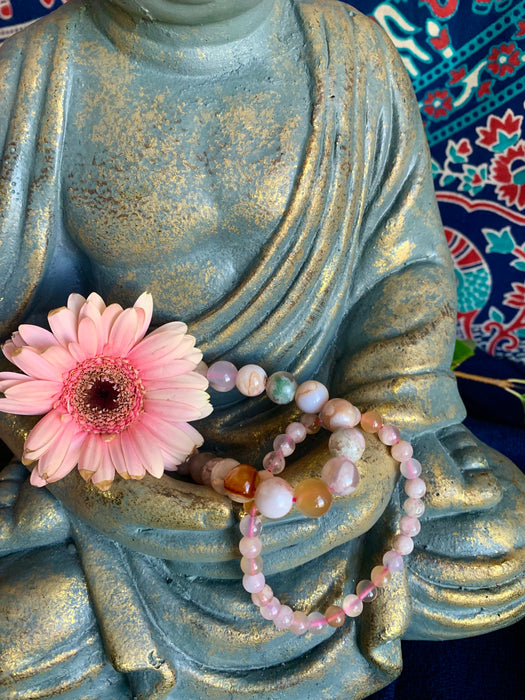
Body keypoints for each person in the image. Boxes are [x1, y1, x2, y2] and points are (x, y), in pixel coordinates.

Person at [0, 1, 523, 697]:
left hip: (327, 434)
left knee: (493, 543)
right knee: (28, 624)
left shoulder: (355, 58)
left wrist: (376, 443)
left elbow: (404, 274)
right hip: (114, 462)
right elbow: (17, 350)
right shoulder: (29, 79)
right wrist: (102, 487)